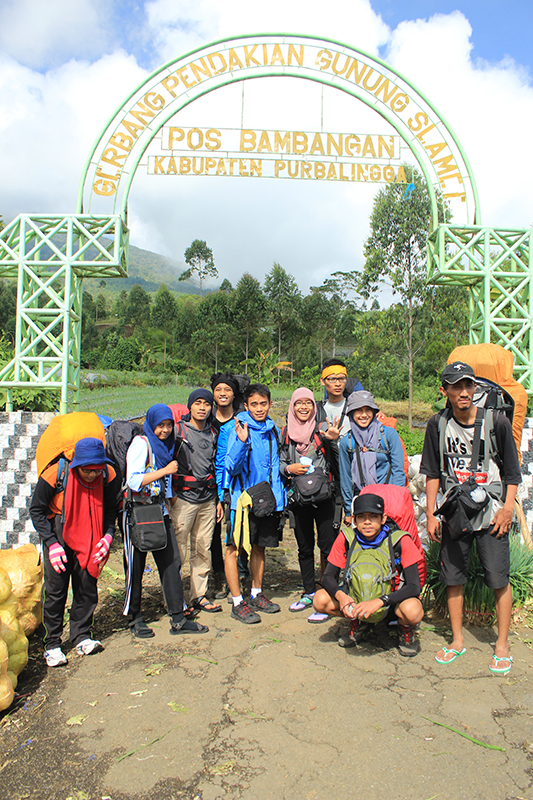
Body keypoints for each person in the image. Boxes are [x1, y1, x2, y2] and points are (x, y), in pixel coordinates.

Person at [420, 361, 521, 674]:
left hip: (492, 513)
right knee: (453, 578)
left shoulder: (497, 423)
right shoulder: (438, 425)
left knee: (498, 577)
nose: (463, 392)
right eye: (456, 386)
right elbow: (432, 472)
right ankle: (458, 640)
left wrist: (507, 508)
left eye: (468, 385)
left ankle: (502, 644)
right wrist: (431, 514)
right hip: (456, 513)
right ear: (445, 391)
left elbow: (511, 472)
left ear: (474, 388)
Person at [30, 437, 119, 666]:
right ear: (76, 465)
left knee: (87, 584)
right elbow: (37, 510)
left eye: (96, 470)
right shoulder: (55, 475)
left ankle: (81, 635)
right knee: (56, 589)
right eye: (87, 470)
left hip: (92, 532)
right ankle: (52, 643)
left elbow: (110, 510)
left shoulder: (108, 476)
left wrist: (108, 536)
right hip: (59, 532)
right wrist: (51, 543)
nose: (92, 475)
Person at [122, 403, 208, 638]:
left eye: (169, 425)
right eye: (161, 425)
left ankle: (178, 618)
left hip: (159, 511)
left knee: (171, 563)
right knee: (136, 566)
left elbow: (167, 474)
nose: (166, 430)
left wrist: (169, 497)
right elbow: (133, 481)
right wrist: (165, 472)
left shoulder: (165, 445)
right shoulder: (141, 444)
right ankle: (135, 618)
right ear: (151, 424)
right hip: (138, 513)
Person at [313, 493, 425, 656]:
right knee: (320, 600)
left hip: (390, 603)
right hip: (356, 599)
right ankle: (357, 621)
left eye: (373, 516)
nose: (367, 522)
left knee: (413, 610)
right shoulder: (346, 538)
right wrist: (342, 597)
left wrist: (380, 602)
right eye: (361, 517)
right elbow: (328, 577)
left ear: (383, 518)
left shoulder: (400, 540)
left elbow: (414, 586)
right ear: (354, 519)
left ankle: (405, 628)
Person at [224, 383, 286, 623]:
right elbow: (230, 466)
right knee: (234, 548)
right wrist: (242, 441)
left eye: (263, 404)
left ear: (270, 404)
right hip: (243, 502)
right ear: (246, 406)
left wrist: (279, 503)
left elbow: (275, 468)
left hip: (268, 501)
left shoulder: (273, 430)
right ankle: (238, 602)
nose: (259, 409)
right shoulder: (239, 428)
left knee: (259, 547)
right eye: (254, 404)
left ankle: (256, 592)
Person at [279, 387, 340, 621]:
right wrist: (288, 469)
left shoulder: (322, 430)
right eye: (298, 403)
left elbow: (336, 462)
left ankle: (326, 592)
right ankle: (308, 591)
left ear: (314, 407)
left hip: (324, 497)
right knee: (304, 547)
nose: (303, 407)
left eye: (308, 403)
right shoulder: (285, 433)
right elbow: (279, 461)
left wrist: (331, 441)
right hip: (298, 499)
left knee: (327, 547)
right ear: (292, 407)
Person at [170, 389, 224, 613]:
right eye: (198, 403)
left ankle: (198, 595)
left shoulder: (213, 432)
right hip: (182, 499)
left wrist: (218, 499)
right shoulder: (177, 432)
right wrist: (168, 494)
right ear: (190, 406)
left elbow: (217, 466)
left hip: (208, 499)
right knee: (178, 551)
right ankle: (174, 599)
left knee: (203, 548)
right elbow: (164, 461)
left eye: (207, 404)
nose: (202, 407)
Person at [339, 390, 406, 525]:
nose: (364, 415)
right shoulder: (347, 441)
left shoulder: (389, 434)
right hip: (362, 501)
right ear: (351, 414)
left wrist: (396, 500)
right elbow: (345, 478)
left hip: (388, 500)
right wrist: (348, 510)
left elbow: (399, 469)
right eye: (358, 411)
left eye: (368, 410)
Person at [210, 373, 243, 598]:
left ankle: (240, 575)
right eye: (218, 389)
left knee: (236, 531)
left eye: (227, 389)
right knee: (212, 533)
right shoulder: (203, 418)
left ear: (234, 394)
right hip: (208, 485)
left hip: (234, 484)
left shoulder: (241, 421)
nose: (223, 393)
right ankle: (218, 575)